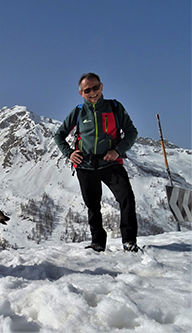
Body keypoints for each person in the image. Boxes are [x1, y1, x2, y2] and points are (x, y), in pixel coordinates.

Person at [54, 73, 139, 252]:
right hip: (85, 165)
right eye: (87, 90)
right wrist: (69, 153)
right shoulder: (78, 112)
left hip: (111, 163)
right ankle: (98, 243)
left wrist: (117, 151)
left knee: (126, 198)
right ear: (81, 93)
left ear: (101, 87)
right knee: (93, 205)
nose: (92, 93)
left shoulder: (114, 107)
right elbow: (59, 134)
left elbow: (131, 132)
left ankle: (129, 241)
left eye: (95, 88)